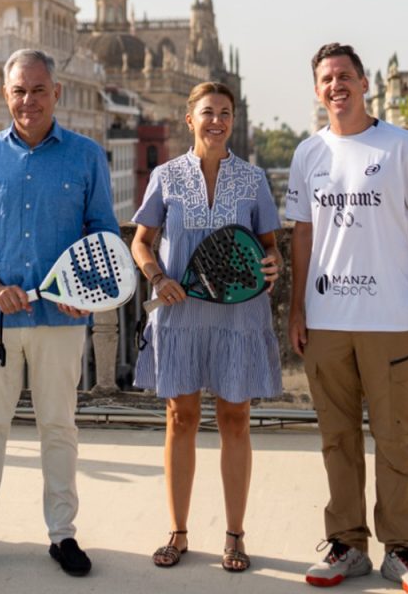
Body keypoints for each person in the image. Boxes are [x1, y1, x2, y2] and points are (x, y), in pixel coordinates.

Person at [0, 49, 119, 578]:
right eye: (19, 91)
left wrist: (85, 291)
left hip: (62, 320)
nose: (28, 100)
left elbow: (103, 232)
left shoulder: (87, 156)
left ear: (56, 93)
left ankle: (63, 535)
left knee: (58, 427)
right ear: (5, 94)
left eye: (38, 90)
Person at [286, 43, 408, 594]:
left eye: (345, 76)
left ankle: (400, 550)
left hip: (393, 319)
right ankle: (347, 545)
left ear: (363, 83)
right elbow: (303, 233)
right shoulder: (308, 153)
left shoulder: (400, 146)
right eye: (327, 79)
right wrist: (297, 306)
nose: (336, 86)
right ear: (317, 90)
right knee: (337, 440)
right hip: (327, 320)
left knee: (397, 440)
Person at [131, 81, 281, 573]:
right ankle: (178, 532)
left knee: (236, 420)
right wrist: (157, 277)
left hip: (238, 316)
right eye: (208, 112)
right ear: (189, 119)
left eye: (225, 113)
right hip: (180, 315)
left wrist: (274, 264)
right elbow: (141, 241)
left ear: (232, 120)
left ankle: (235, 536)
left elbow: (269, 247)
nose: (216, 121)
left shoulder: (253, 179)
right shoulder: (165, 176)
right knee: (181, 419)